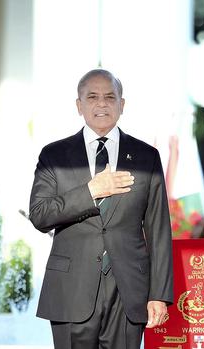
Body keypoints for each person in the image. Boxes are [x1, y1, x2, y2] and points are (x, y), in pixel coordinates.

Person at [28, 69, 173, 348]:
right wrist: (90, 192)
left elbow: (159, 231)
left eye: (110, 97)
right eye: (92, 97)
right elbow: (40, 214)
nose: (102, 104)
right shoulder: (55, 155)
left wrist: (160, 294)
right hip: (71, 288)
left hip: (129, 290)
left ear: (122, 104)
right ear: (79, 105)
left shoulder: (146, 157)